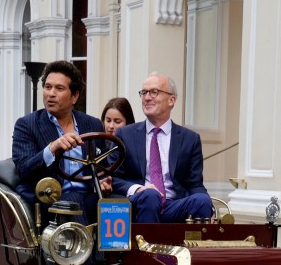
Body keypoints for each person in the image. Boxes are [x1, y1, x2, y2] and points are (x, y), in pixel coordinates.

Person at [110, 72, 214, 223]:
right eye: (144, 92)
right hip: (140, 202)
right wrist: (138, 189)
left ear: (171, 100)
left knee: (202, 201)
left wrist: (209, 206)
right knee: (151, 195)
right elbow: (112, 178)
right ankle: (146, 239)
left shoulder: (190, 139)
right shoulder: (125, 135)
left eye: (154, 92)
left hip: (174, 205)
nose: (147, 97)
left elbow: (195, 184)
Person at [12, 60, 106, 221]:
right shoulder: (27, 125)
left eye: (59, 88)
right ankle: (85, 239)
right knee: (73, 201)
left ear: (74, 96)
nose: (51, 93)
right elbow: (24, 169)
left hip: (90, 194)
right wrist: (52, 148)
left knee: (119, 202)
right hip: (50, 198)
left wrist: (104, 180)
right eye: (48, 87)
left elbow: (103, 165)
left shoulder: (92, 124)